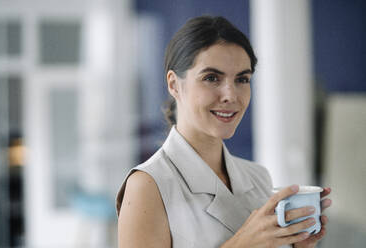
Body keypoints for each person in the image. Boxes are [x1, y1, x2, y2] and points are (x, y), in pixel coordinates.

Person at [116, 16, 332, 248]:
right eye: (211, 78)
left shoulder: (258, 177)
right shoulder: (147, 186)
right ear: (174, 84)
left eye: (242, 79)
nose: (230, 95)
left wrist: (295, 244)